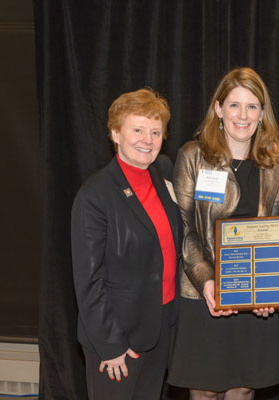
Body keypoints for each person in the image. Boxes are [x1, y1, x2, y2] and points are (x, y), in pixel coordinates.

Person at [167, 67, 279, 400]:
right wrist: (207, 281)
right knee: (203, 391)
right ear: (218, 109)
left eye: (252, 106)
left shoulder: (277, 163)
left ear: (262, 114)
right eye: (234, 105)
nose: (243, 115)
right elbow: (185, 230)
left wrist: (267, 292)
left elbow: (276, 230)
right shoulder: (193, 156)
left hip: (252, 294)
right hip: (202, 292)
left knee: (243, 389)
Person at [71, 88, 182, 400]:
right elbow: (87, 282)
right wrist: (111, 345)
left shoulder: (163, 172)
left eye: (155, 131)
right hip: (118, 335)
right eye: (137, 130)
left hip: (159, 326)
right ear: (115, 133)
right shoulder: (94, 195)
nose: (147, 139)